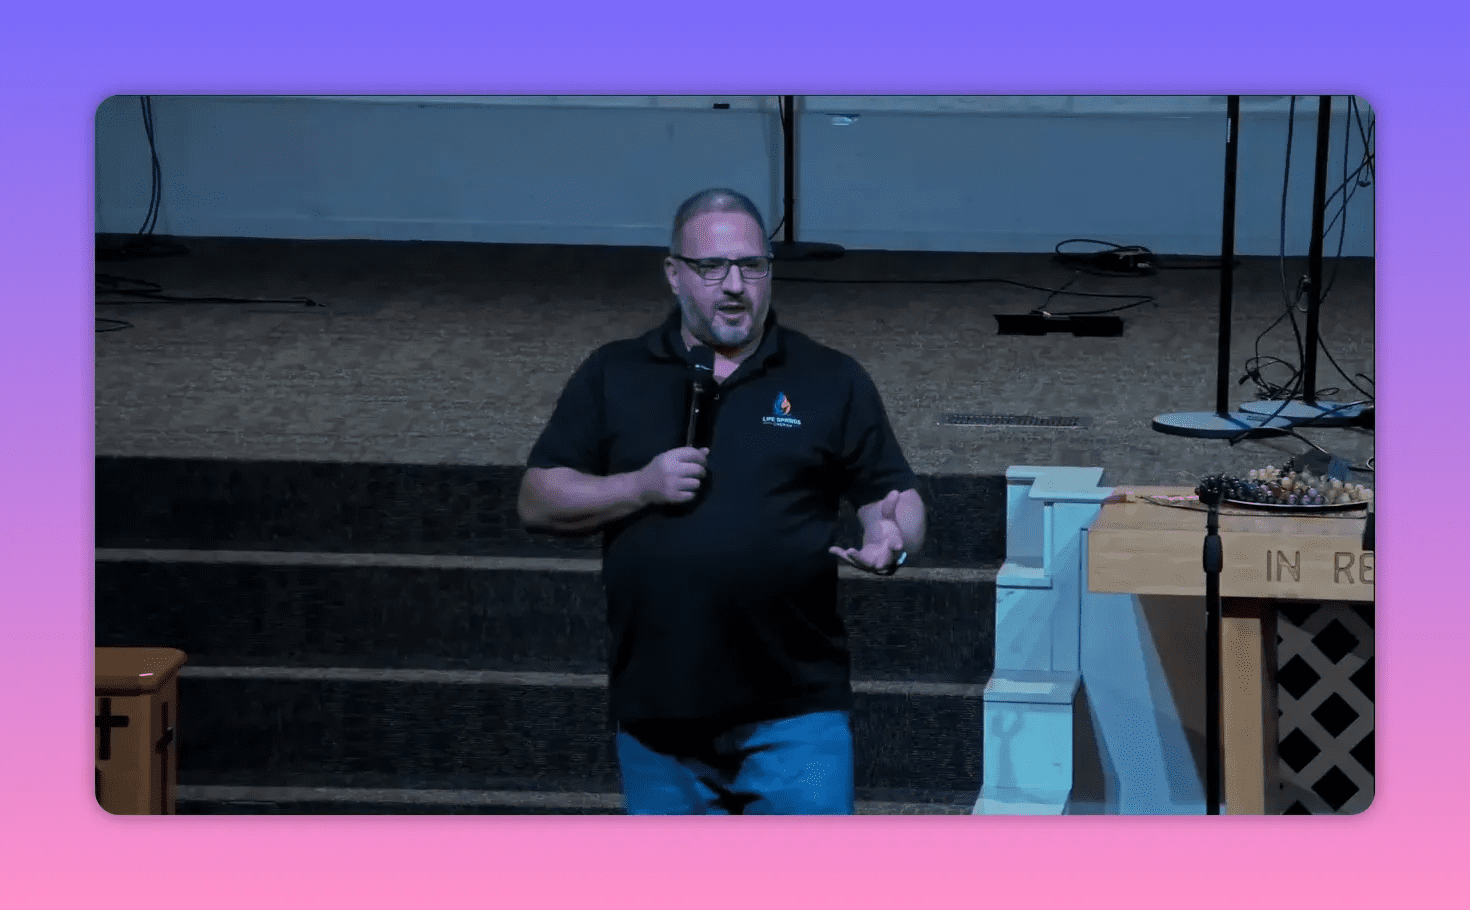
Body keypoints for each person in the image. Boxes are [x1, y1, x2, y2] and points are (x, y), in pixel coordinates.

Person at [517, 187, 927, 814]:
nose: (734, 285)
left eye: (752, 266)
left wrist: (893, 538)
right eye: (712, 267)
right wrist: (639, 486)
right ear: (674, 274)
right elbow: (537, 498)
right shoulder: (615, 372)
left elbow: (891, 494)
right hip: (659, 719)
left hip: (796, 715)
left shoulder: (828, 377)